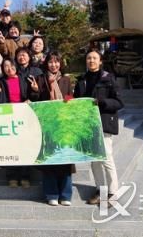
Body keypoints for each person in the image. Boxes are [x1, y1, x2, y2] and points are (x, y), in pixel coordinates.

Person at [74, 49, 124, 206]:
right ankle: (100, 190)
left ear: (100, 61)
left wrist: (103, 102)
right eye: (89, 58)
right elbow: (77, 100)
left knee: (106, 158)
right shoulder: (81, 79)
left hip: (104, 122)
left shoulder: (108, 78)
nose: (91, 61)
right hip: (88, 125)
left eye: (95, 58)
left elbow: (119, 102)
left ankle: (113, 193)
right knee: (94, 160)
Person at [29, 52, 72, 206]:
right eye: (51, 62)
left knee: (66, 159)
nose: (54, 65)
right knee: (50, 159)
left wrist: (68, 101)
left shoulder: (66, 80)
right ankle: (51, 194)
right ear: (46, 64)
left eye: (56, 62)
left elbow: (70, 97)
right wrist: (35, 90)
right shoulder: (40, 79)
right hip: (46, 123)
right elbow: (35, 100)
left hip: (63, 123)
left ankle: (65, 195)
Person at [0, 58, 33, 188]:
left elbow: (32, 96)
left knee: (25, 147)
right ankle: (12, 176)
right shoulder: (1, 81)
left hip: (24, 117)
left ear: (16, 66)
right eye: (6, 66)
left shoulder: (24, 79)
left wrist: (32, 94)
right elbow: (0, 101)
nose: (9, 68)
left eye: (11, 65)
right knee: (11, 148)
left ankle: (25, 176)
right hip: (9, 118)